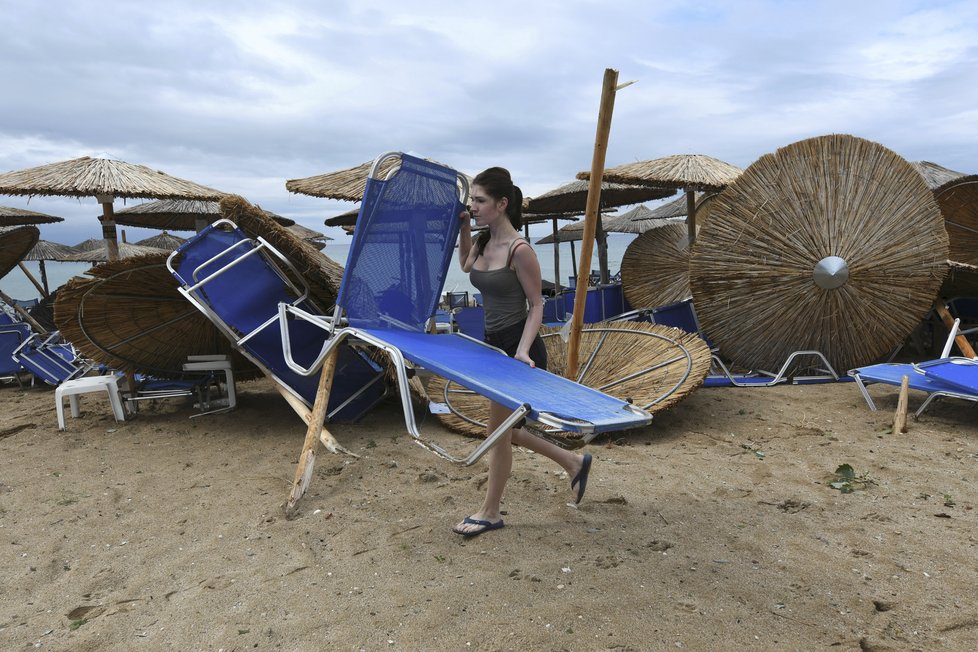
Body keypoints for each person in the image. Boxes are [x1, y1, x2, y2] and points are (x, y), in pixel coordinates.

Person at [452, 166, 592, 538]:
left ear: (501, 204)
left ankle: (490, 511)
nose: (474, 206)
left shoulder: (521, 250)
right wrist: (465, 227)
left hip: (519, 349)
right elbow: (465, 265)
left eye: (480, 201)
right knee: (501, 431)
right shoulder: (482, 244)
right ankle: (573, 462)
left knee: (497, 433)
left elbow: (536, 306)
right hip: (493, 346)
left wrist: (523, 351)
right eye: (472, 201)